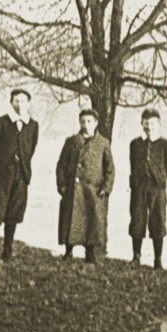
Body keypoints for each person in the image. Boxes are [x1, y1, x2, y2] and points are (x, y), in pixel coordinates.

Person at [0, 89, 39, 260]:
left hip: (21, 175)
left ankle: (7, 249)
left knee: (13, 213)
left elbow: (31, 148)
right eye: (16, 101)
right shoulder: (1, 122)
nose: (20, 104)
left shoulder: (32, 125)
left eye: (23, 101)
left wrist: (23, 163)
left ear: (28, 104)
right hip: (2, 176)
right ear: (11, 103)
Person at [56, 108, 115, 263]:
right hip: (73, 189)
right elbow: (61, 165)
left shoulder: (103, 143)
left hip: (92, 190)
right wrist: (61, 185)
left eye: (89, 121)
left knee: (92, 222)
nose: (86, 124)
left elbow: (109, 169)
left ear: (95, 123)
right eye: (83, 121)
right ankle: (68, 251)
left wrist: (106, 188)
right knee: (71, 220)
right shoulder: (72, 142)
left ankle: (90, 253)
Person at [129, 107, 167, 268]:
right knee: (137, 219)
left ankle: (158, 259)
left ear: (159, 124)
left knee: (158, 221)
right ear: (142, 123)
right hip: (139, 188)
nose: (149, 127)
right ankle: (136, 256)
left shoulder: (164, 144)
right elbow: (133, 164)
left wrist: (161, 179)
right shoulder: (135, 143)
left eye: (153, 123)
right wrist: (135, 181)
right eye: (146, 123)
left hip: (157, 189)